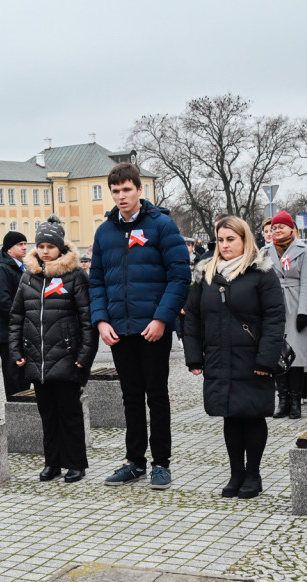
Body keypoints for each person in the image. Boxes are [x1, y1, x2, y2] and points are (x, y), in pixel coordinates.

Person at [89, 162, 190, 490]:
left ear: (139, 190)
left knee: (156, 396)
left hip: (152, 329)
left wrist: (162, 318)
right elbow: (97, 281)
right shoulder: (105, 231)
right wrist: (101, 320)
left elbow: (179, 276)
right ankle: (135, 461)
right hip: (120, 329)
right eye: (115, 191)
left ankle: (161, 462)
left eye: (126, 190)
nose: (121, 196)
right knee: (130, 397)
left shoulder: (161, 225)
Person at [184, 216, 284, 499]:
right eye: (221, 240)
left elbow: (275, 318)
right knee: (230, 415)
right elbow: (191, 316)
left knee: (252, 416)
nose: (225, 245)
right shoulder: (205, 273)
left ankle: (253, 473)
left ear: (244, 240)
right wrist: (194, 358)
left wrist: (266, 359)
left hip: (252, 358)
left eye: (231, 239)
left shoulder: (261, 274)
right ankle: (235, 473)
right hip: (218, 357)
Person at [9, 215, 97, 483]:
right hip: (38, 357)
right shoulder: (28, 278)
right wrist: (16, 351)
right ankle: (52, 462)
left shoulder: (75, 276)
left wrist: (83, 356)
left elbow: (86, 320)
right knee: (47, 414)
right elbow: (16, 318)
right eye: (42, 246)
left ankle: (75, 463)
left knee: (69, 413)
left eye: (51, 246)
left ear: (60, 247)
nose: (46, 251)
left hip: (67, 356)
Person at [265, 211, 307, 419]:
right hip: (274, 306)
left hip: (295, 305)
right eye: (274, 227)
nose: (277, 230)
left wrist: (304, 311)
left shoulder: (304, 250)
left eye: (281, 226)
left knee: (296, 354)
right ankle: (282, 399)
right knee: (277, 353)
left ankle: (296, 400)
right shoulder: (265, 251)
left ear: (291, 228)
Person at [0, 230, 31, 398]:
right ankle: (17, 411)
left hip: (21, 329)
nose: (24, 248)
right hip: (8, 331)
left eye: (25, 244)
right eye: (20, 245)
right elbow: (2, 302)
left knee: (24, 373)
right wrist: (22, 319)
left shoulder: (20, 266)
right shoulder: (1, 269)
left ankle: (25, 409)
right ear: (9, 249)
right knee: (14, 374)